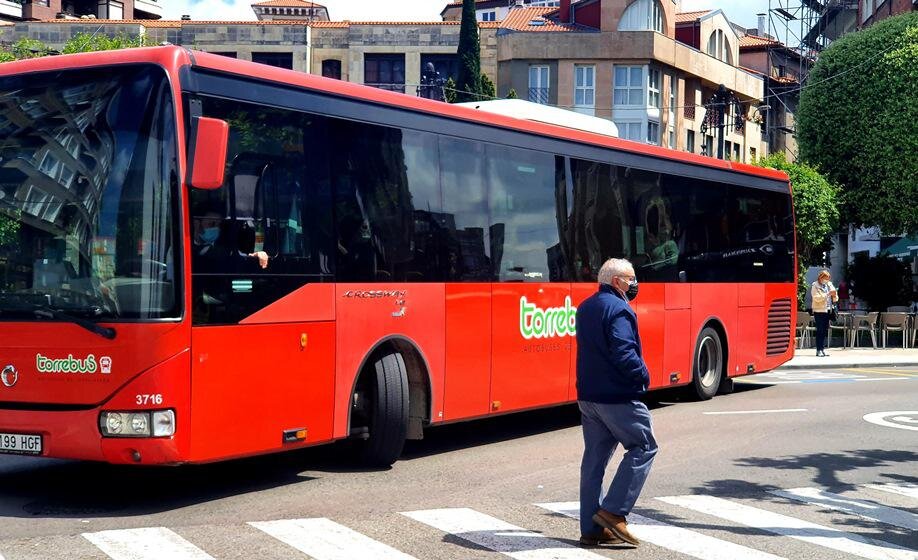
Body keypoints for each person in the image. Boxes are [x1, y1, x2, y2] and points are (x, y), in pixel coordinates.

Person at [575, 258, 658, 548]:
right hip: (617, 396)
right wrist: (643, 376)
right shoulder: (619, 308)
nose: (634, 284)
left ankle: (591, 529)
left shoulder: (585, 307)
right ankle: (613, 512)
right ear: (616, 282)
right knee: (645, 446)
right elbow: (624, 352)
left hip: (588, 397)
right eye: (631, 279)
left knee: (594, 461)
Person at [810, 269, 838, 357]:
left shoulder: (829, 285)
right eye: (826, 278)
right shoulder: (815, 285)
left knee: (824, 330)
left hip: (828, 310)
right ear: (821, 277)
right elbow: (816, 298)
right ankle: (819, 350)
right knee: (820, 330)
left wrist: (834, 294)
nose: (827, 280)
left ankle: (822, 349)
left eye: (828, 279)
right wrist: (828, 294)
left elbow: (835, 298)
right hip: (819, 310)